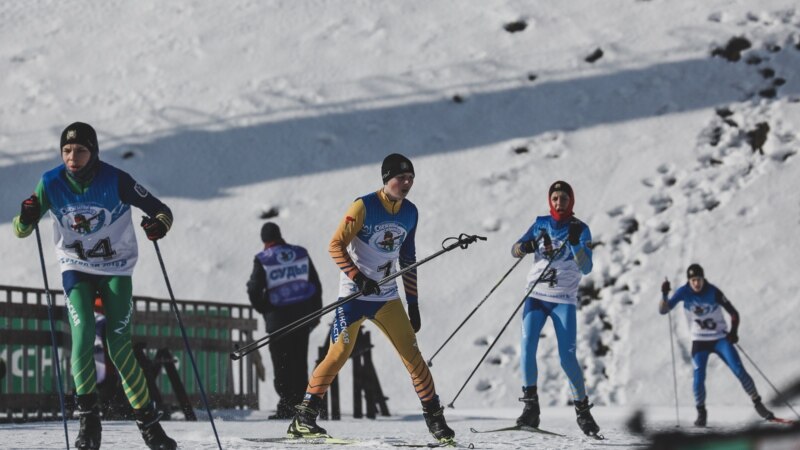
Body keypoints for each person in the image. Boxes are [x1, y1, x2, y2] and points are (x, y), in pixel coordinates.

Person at [12, 122, 177, 450]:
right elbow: (20, 230)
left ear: (94, 152)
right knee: (83, 332)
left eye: (81, 150)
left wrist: (158, 225)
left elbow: (162, 211)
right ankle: (89, 423)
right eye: (67, 150)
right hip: (77, 268)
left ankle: (150, 427)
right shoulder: (51, 182)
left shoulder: (116, 179)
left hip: (116, 268)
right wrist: (27, 216)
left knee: (119, 346)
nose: (73, 157)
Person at [287, 153, 456, 444]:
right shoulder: (363, 206)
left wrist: (413, 303)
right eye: (401, 178)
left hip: (387, 297)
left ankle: (436, 421)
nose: (406, 183)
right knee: (338, 353)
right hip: (354, 295)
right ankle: (304, 418)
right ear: (386, 179)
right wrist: (358, 278)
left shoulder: (411, 212)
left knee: (411, 355)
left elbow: (408, 258)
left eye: (410, 179)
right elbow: (335, 246)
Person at [511, 180, 601, 437]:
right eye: (555, 198)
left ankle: (583, 412)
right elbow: (514, 250)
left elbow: (586, 268)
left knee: (567, 357)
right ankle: (531, 408)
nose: (559, 203)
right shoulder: (540, 223)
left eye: (563, 198)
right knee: (527, 347)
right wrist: (525, 247)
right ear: (549, 201)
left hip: (563, 299)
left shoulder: (581, 229)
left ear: (570, 201)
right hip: (536, 296)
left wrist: (575, 245)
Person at [659, 263, 774, 427]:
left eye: (698, 279)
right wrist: (664, 294)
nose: (696, 283)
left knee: (739, 370)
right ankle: (701, 413)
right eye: (693, 280)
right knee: (698, 380)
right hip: (699, 342)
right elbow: (664, 310)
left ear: (703, 278)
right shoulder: (684, 292)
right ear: (689, 281)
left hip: (720, 339)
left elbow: (734, 313)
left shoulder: (713, 291)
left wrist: (733, 332)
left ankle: (758, 403)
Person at [246, 222, 322, 419]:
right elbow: (315, 284)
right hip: (303, 317)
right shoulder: (300, 253)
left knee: (282, 365)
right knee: (299, 363)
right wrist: (316, 314)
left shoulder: (263, 258)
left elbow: (254, 289)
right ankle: (302, 407)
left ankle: (287, 406)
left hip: (278, 321)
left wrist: (264, 308)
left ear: (264, 241)